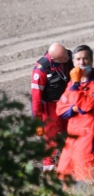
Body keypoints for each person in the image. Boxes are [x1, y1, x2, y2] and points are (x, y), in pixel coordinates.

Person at [55, 45, 94, 182]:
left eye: (85, 59)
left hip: (90, 141)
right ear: (73, 62)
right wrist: (74, 108)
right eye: (78, 59)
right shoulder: (73, 83)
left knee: (87, 182)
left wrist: (75, 86)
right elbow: (60, 109)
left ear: (91, 60)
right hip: (72, 140)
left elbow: (86, 107)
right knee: (63, 179)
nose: (82, 62)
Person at [30, 43, 74, 171]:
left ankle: (71, 168)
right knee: (52, 142)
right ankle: (49, 173)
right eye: (64, 58)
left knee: (71, 135)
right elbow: (36, 99)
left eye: (67, 55)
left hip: (67, 104)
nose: (67, 59)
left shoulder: (69, 57)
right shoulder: (40, 70)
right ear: (54, 59)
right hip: (50, 109)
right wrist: (37, 124)